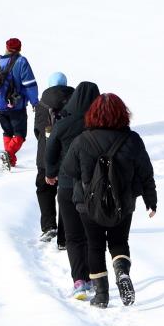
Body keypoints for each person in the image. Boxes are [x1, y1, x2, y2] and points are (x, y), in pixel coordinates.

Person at [62, 93, 157, 308]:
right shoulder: (132, 140)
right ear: (122, 113)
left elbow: (68, 169)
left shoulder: (81, 140)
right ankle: (122, 271)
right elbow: (145, 172)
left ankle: (101, 296)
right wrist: (151, 200)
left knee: (94, 246)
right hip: (123, 202)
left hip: (88, 204)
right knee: (119, 242)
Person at [45, 81, 100, 299]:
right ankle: (95, 277)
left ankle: (79, 281)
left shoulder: (64, 121)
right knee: (91, 235)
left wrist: (50, 172)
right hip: (94, 186)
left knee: (74, 236)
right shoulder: (99, 123)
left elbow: (50, 149)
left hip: (67, 185)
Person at [0, 38, 40, 170]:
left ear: (6, 47)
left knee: (7, 132)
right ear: (20, 49)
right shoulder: (21, 61)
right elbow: (29, 84)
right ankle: (8, 154)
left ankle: (10, 161)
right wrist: (35, 102)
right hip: (16, 106)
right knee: (20, 134)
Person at [34, 72, 74, 246]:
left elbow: (37, 130)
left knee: (44, 189)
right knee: (67, 193)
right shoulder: (75, 100)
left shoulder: (41, 103)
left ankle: (49, 226)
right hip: (69, 154)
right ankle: (65, 235)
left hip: (45, 154)